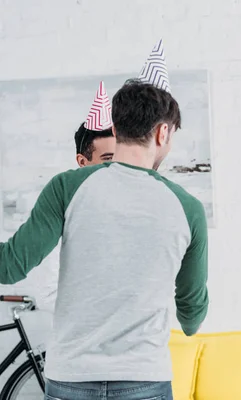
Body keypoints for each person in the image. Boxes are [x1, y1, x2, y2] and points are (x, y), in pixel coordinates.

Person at [0, 41, 209, 400]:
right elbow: (191, 314)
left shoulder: (67, 186)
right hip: (144, 378)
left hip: (70, 378)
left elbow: (9, 266)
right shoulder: (187, 207)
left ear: (117, 125)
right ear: (163, 133)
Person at [74, 80, 116, 167]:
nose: (118, 166)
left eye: (122, 158)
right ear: (82, 162)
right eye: (108, 159)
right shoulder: (61, 180)